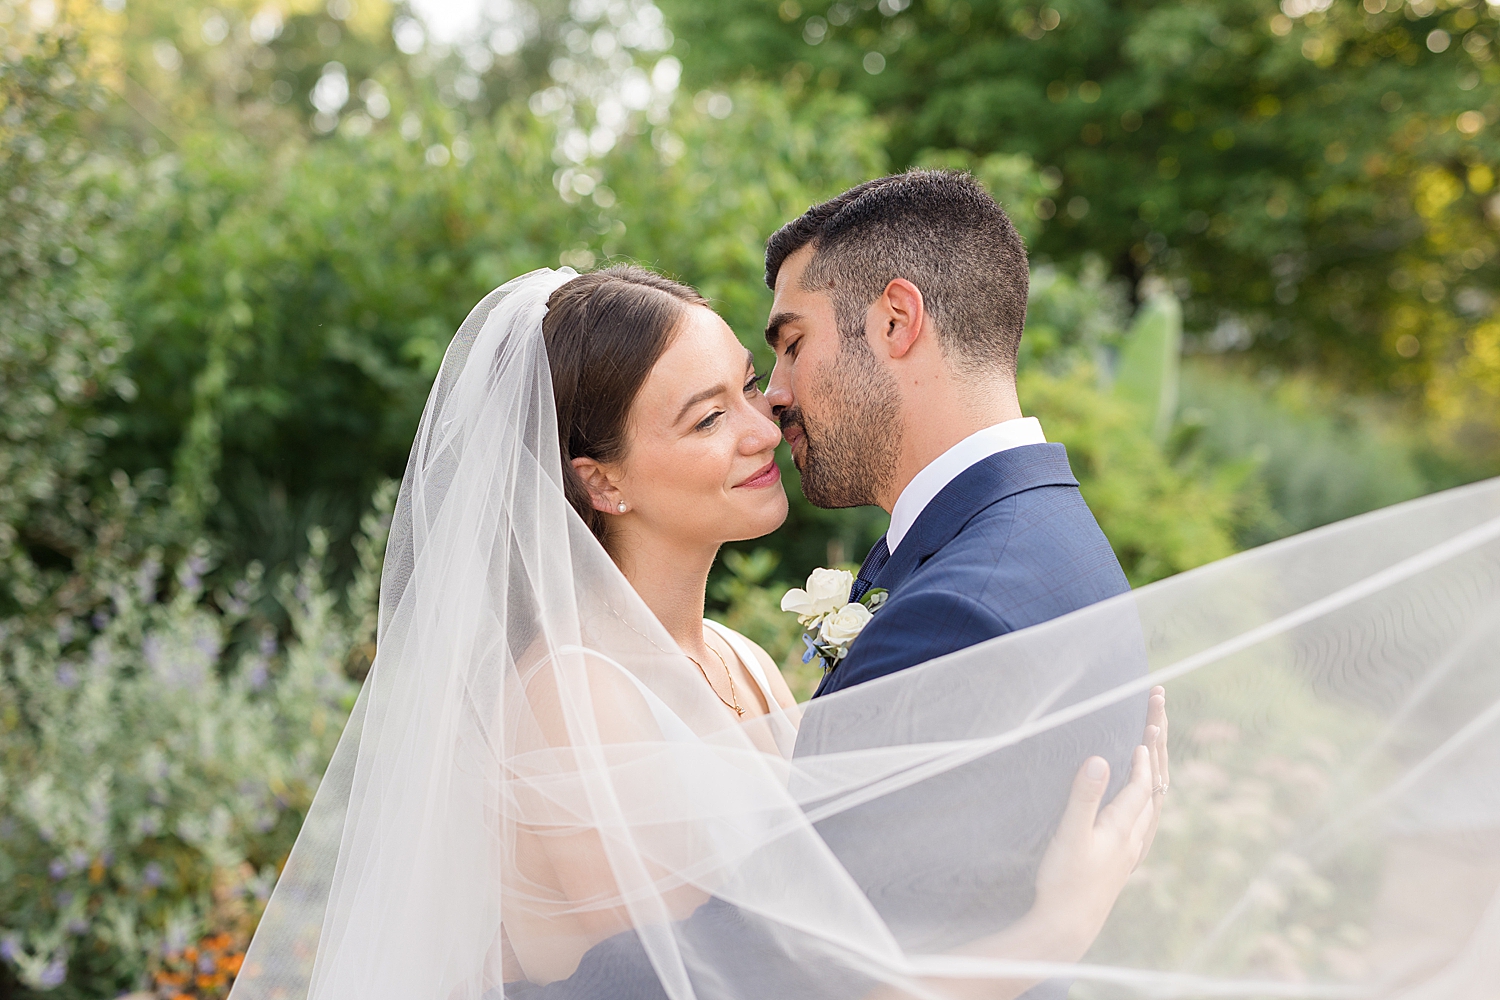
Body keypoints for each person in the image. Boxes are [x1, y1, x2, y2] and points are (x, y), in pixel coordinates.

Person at [228, 258, 1166, 1000]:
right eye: (709, 417)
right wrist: (1046, 935)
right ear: (602, 479)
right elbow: (756, 988)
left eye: (751, 388)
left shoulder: (744, 661)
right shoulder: (578, 701)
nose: (765, 427)